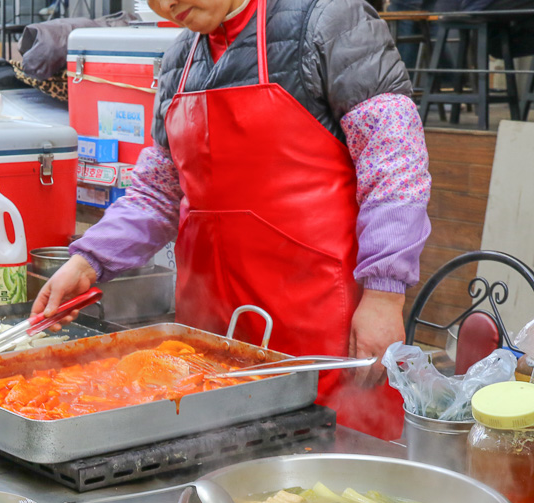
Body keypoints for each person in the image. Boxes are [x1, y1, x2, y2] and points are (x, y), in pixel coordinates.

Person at [35, 0, 432, 440]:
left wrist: (384, 295)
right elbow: (157, 191)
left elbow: (396, 166)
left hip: (320, 326)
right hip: (209, 329)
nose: (167, 5)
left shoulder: (331, 21)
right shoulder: (177, 61)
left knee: (331, 481)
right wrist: (87, 261)